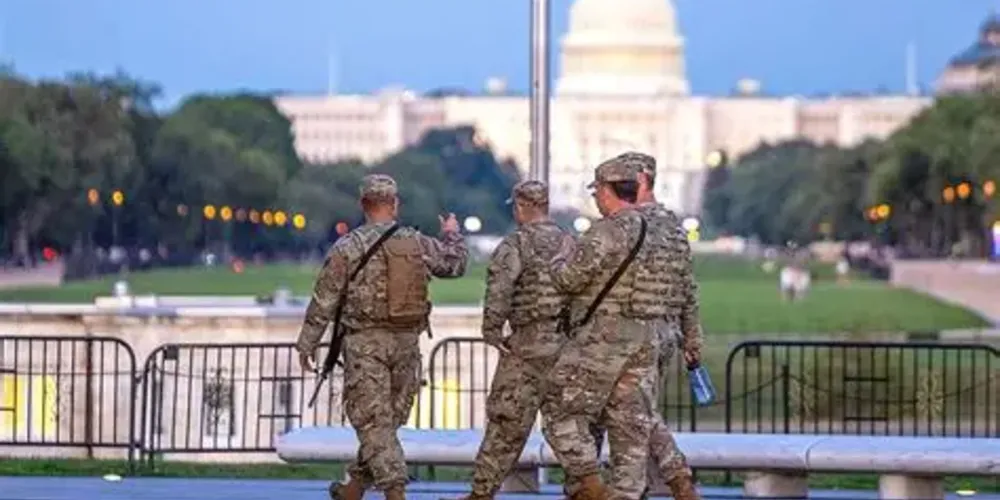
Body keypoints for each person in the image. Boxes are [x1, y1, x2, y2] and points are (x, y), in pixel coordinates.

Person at [294, 174, 468, 500]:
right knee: (384, 423)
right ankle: (355, 488)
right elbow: (454, 264)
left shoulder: (348, 246)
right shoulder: (415, 242)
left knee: (374, 424)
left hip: (365, 345)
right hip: (406, 344)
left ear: (363, 205)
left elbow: (324, 299)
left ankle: (395, 491)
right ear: (395, 204)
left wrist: (308, 342)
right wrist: (452, 234)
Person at [569, 152, 703, 500]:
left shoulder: (630, 224)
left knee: (628, 413)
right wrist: (692, 335)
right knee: (635, 409)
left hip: (625, 333)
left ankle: (646, 485)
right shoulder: (672, 225)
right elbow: (687, 285)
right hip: (662, 332)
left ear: (641, 180)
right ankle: (670, 483)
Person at [540, 158, 661, 500]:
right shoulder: (653, 231)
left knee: (558, 409)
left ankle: (590, 483)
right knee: (629, 429)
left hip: (603, 338)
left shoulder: (605, 231)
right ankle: (625, 494)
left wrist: (561, 256)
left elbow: (568, 279)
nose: (596, 199)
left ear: (608, 191)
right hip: (643, 336)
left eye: (598, 192)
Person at [455, 180, 574, 500]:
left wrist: (492, 331)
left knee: (506, 422)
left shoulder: (515, 245)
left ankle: (481, 492)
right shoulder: (571, 242)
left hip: (526, 346)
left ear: (522, 207)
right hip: (566, 345)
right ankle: (584, 490)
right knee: (570, 425)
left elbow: (500, 291)